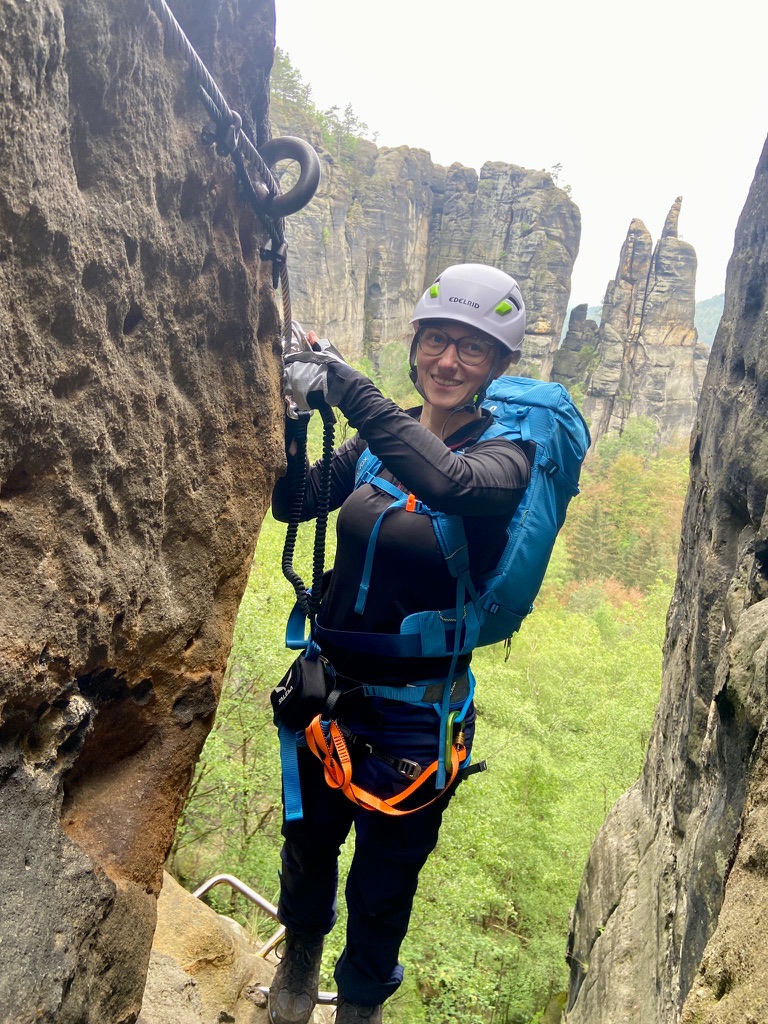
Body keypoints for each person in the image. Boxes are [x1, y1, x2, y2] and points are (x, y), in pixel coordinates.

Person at [268, 264, 533, 1024]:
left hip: (418, 719)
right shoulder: (377, 449)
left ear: (498, 367)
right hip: (331, 689)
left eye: (472, 350)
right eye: (437, 340)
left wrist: (347, 385)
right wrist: (294, 411)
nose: (448, 361)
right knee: (308, 847)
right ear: (415, 343)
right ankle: (295, 972)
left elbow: (447, 481)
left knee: (384, 884)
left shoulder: (505, 460)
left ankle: (358, 1009)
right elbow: (296, 502)